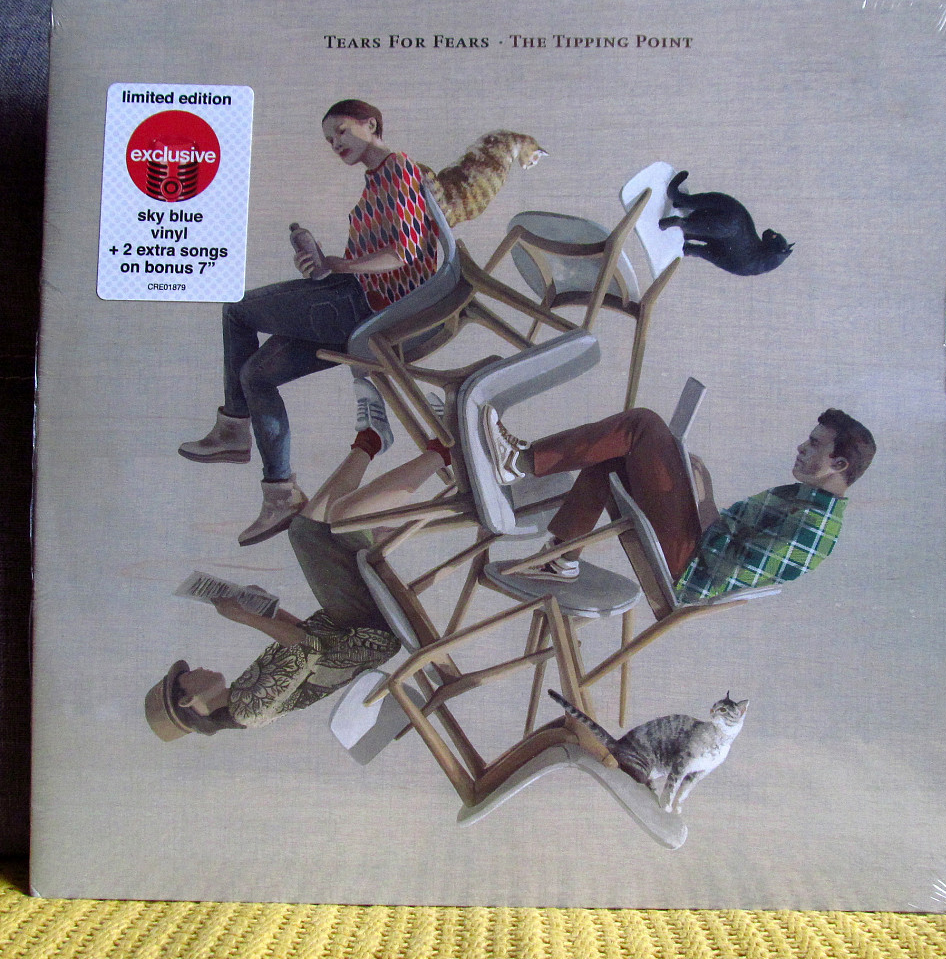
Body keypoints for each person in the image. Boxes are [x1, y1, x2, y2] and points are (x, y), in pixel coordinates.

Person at [179, 99, 439, 546]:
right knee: (255, 375)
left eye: (341, 131)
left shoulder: (398, 168)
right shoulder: (375, 181)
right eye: (328, 139)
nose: (335, 143)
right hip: (358, 306)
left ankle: (233, 427)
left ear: (371, 124)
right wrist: (320, 264)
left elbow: (404, 253)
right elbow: (371, 256)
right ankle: (280, 493)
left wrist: (338, 265)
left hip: (368, 307)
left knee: (237, 309)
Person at [146, 434, 453, 740]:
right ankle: (441, 453)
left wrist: (268, 610)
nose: (198, 668)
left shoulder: (240, 695)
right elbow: (307, 648)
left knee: (304, 531)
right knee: (342, 520)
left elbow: (304, 643)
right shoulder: (248, 711)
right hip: (369, 632)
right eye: (189, 675)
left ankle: (369, 442)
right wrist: (243, 617)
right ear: (187, 700)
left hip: (349, 624)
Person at [480, 404, 875, 604]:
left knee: (642, 425)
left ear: (839, 465)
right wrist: (691, 488)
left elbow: (723, 565)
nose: (801, 448)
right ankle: (560, 560)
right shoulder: (803, 498)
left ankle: (519, 463)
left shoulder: (814, 529)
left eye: (814, 445)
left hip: (690, 573)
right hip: (694, 551)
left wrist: (703, 497)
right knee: (617, 455)